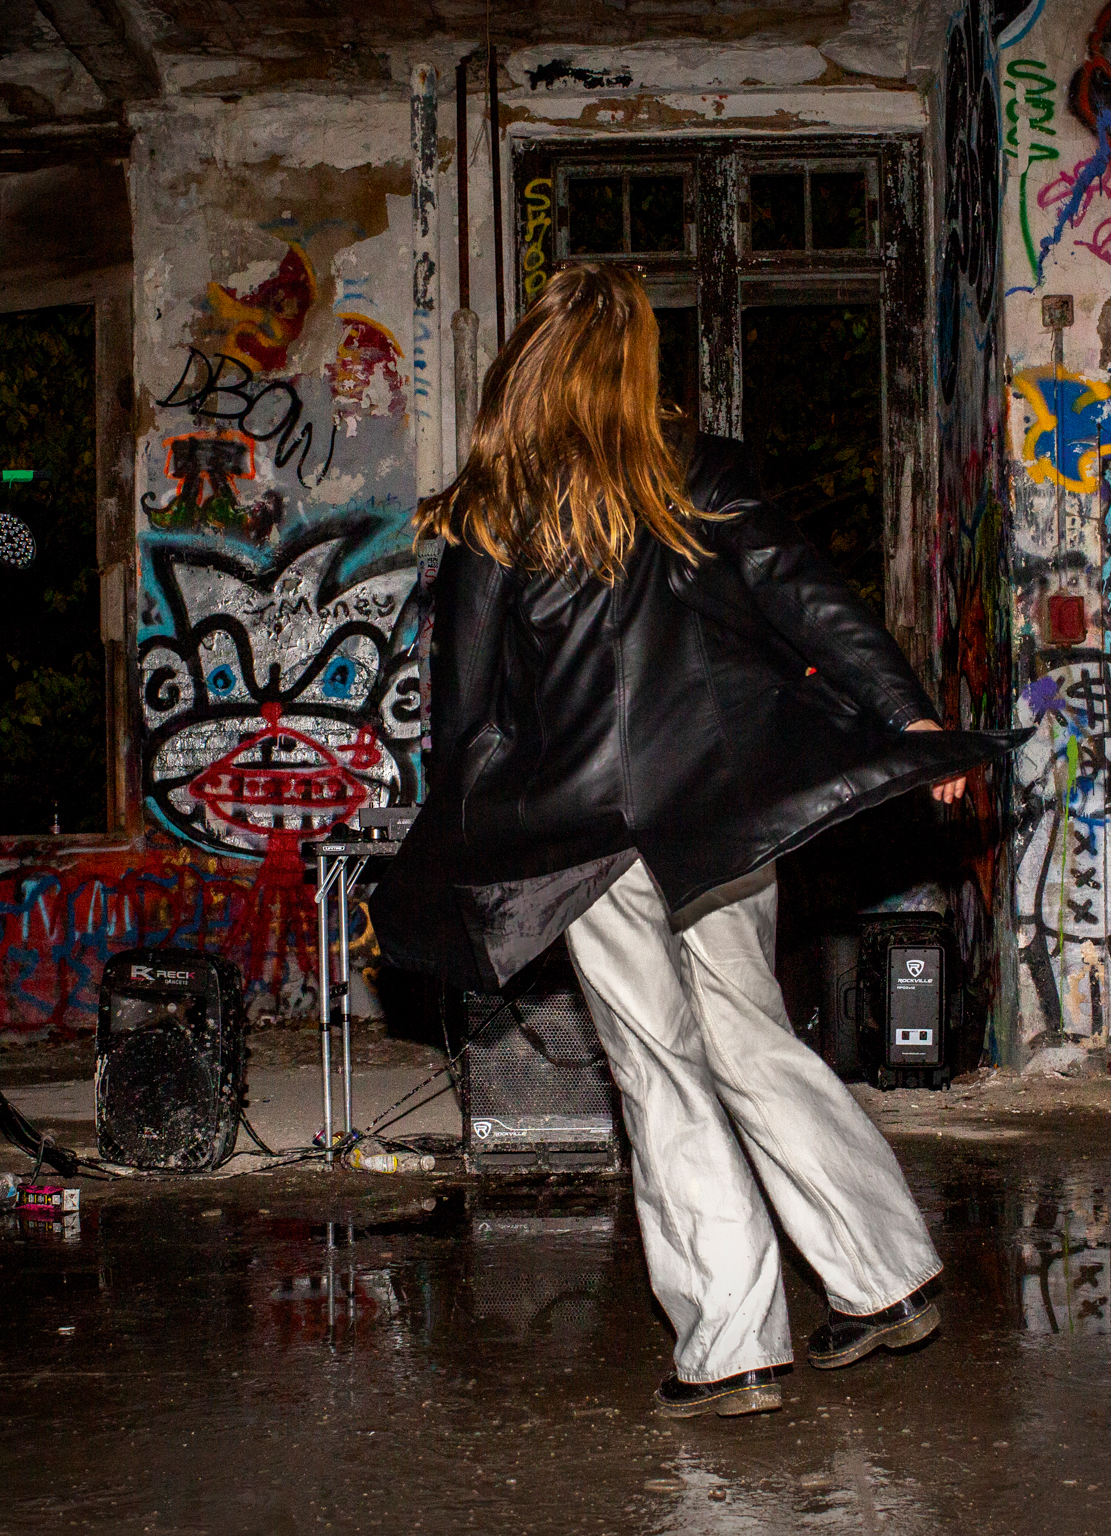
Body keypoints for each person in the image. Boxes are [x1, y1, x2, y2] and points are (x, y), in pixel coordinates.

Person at [372, 263, 1010, 1419]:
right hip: (715, 818)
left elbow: (463, 715)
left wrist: (462, 847)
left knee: (661, 1066)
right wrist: (913, 718)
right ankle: (884, 1275)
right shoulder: (700, 475)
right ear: (639, 366)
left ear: (535, 362)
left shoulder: (496, 505)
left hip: (585, 834)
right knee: (750, 1036)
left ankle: (732, 1346)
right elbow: (815, 603)